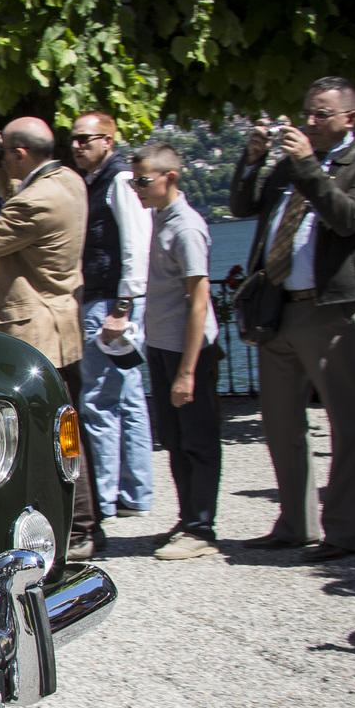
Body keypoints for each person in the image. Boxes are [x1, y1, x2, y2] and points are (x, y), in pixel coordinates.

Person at [228, 76, 355, 561]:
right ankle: (295, 524)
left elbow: (348, 218)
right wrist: (254, 160)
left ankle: (342, 532)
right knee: (280, 424)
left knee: (347, 425)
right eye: (307, 112)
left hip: (328, 311)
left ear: (350, 118)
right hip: (278, 307)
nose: (310, 121)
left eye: (321, 113)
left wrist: (305, 165)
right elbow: (242, 206)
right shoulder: (287, 165)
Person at [0, 118, 99, 558]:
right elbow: (20, 206)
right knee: (66, 429)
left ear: (18, 153)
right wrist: (0, 170)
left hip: (33, 331)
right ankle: (83, 526)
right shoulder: (69, 182)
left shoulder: (36, 201)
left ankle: (78, 529)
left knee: (50, 435)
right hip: (62, 324)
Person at [130, 144, 221, 560]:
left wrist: (187, 370)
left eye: (144, 181)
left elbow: (198, 301)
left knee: (198, 441)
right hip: (164, 347)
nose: (137, 189)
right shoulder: (161, 219)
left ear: (171, 177)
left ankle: (202, 527)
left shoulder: (186, 227)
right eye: (134, 181)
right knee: (175, 439)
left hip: (189, 352)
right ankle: (188, 520)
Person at [70, 112, 155, 519]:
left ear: (108, 141)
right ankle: (136, 493)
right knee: (130, 396)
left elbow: (137, 244)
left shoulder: (119, 180)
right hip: (111, 301)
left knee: (100, 400)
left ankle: (104, 498)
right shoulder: (98, 181)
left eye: (85, 139)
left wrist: (122, 307)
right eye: (74, 139)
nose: (77, 146)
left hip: (109, 303)